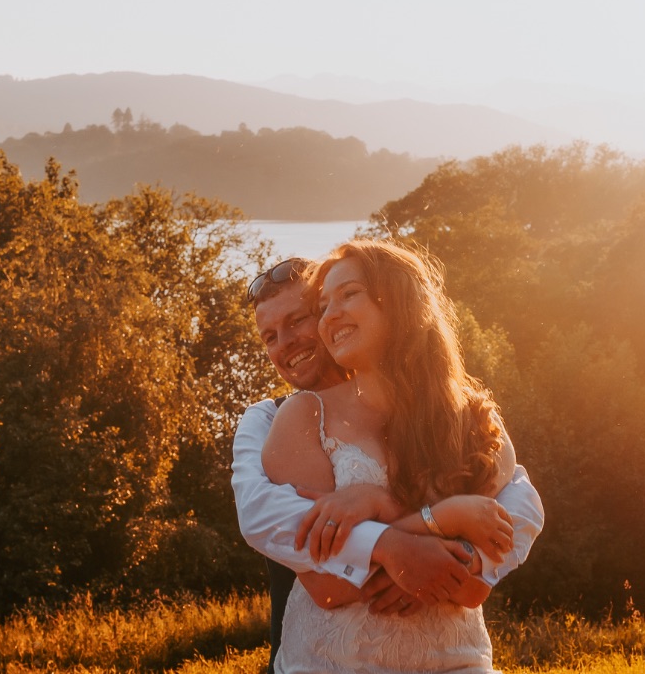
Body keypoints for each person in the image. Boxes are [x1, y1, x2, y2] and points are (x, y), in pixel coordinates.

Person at [231, 254, 544, 670]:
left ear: (394, 303)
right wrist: (426, 529)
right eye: (269, 336)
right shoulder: (279, 418)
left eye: (300, 319)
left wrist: (385, 513)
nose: (285, 343)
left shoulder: (464, 415)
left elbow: (506, 523)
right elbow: (282, 536)